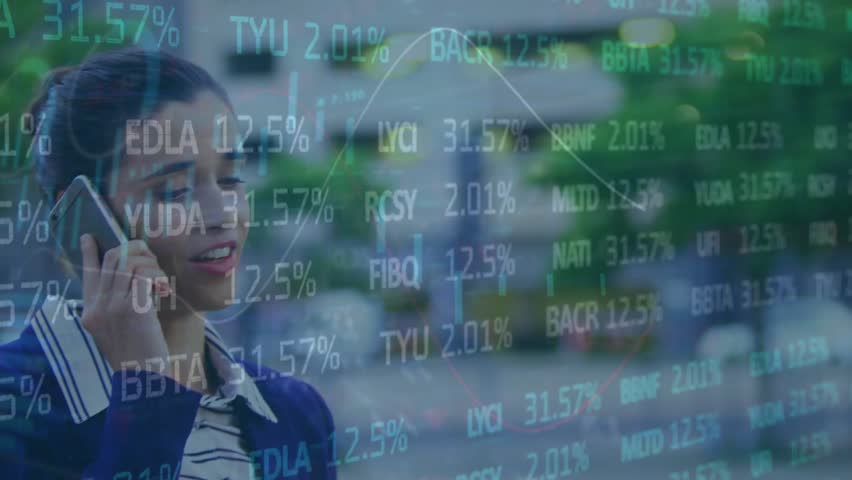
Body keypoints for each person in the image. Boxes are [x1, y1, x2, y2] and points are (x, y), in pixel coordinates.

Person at [0, 48, 336, 479]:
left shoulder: (294, 412)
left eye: (230, 178)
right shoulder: (15, 408)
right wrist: (147, 394)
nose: (222, 214)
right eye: (173, 190)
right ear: (84, 219)